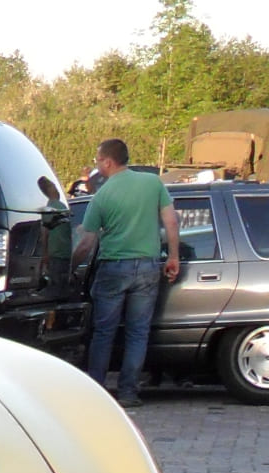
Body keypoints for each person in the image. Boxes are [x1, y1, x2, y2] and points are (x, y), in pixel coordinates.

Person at [72, 138, 179, 409]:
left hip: (113, 268)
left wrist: (70, 268)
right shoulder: (152, 183)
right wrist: (174, 256)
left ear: (108, 162)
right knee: (138, 332)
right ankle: (129, 392)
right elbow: (170, 220)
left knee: (104, 332)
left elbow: (86, 242)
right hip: (148, 265)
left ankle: (97, 391)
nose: (97, 166)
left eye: (98, 161)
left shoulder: (102, 196)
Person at [37, 176, 72, 295]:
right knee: (58, 287)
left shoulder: (57, 206)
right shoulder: (55, 207)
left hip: (61, 253)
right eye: (54, 187)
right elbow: (45, 233)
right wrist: (45, 253)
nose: (57, 190)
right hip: (58, 254)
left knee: (59, 286)